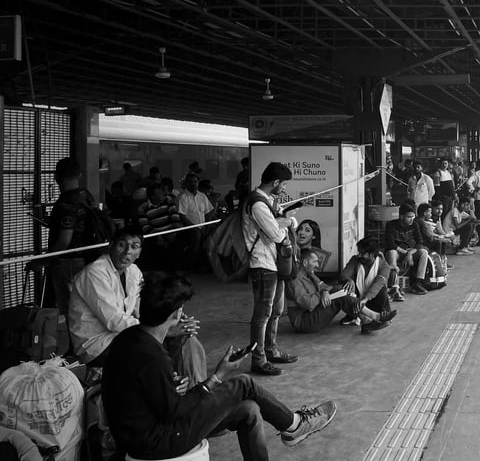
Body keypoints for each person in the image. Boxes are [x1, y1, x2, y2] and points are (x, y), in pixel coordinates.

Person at [103, 272, 337, 461]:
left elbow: (153, 390)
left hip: (143, 430)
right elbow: (175, 411)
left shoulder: (131, 338)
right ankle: (294, 425)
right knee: (242, 383)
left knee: (249, 410)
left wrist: (176, 343)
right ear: (176, 313)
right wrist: (216, 378)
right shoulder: (152, 356)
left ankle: (290, 428)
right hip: (158, 441)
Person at [68, 224, 206, 387]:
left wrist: (170, 318)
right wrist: (163, 328)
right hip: (98, 345)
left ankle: (196, 393)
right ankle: (170, 394)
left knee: (187, 339)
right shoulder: (95, 273)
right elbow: (114, 321)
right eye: (121, 245)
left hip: (125, 335)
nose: (127, 252)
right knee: (154, 352)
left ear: (139, 252)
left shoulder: (133, 271)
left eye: (134, 247)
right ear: (110, 245)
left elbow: (142, 311)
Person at [243, 162, 300, 376]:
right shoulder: (257, 204)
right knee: (263, 313)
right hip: (261, 263)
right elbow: (275, 234)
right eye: (284, 184)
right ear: (275, 182)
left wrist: (283, 219)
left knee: (275, 311)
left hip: (273, 262)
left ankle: (271, 350)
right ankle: (258, 359)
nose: (284, 188)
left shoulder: (267, 202)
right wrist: (287, 221)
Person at [286, 237, 394, 334]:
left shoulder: (310, 275)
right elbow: (309, 304)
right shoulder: (294, 280)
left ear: (371, 254)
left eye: (363, 253)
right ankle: (373, 316)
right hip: (304, 322)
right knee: (340, 292)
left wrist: (325, 292)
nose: (317, 265)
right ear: (305, 263)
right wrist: (323, 293)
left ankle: (367, 319)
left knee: (339, 291)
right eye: (315, 262)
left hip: (370, 299)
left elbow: (326, 287)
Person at [45, 157, 99, 317]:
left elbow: (64, 241)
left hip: (67, 263)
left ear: (56, 177)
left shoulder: (65, 204)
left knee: (69, 308)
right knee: (84, 307)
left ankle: (73, 341)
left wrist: (44, 260)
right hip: (87, 258)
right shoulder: (87, 197)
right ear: (80, 175)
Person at [336, 238, 399, 332]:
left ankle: (372, 315)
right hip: (357, 301)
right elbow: (344, 275)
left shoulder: (384, 265)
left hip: (374, 301)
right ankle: (373, 318)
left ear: (372, 254)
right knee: (343, 287)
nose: (359, 255)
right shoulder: (355, 260)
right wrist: (349, 280)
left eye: (362, 253)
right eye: (359, 252)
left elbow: (378, 283)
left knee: (381, 290)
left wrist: (365, 299)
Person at [384, 203, 430, 295]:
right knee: (391, 253)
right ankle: (394, 286)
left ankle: (418, 282)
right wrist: (406, 253)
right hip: (397, 251)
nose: (412, 219)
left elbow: (419, 243)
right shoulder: (391, 225)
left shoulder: (415, 224)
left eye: (413, 217)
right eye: (409, 217)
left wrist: (409, 254)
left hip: (410, 251)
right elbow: (390, 244)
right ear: (401, 217)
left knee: (423, 252)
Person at [177, 173, 215, 270]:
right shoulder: (183, 197)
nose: (193, 184)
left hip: (203, 226)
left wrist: (207, 226)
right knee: (197, 235)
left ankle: (209, 264)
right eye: (190, 182)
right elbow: (182, 217)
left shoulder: (202, 196)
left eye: (195, 181)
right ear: (186, 183)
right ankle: (192, 265)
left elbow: (208, 213)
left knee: (215, 232)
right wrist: (196, 228)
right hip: (189, 227)